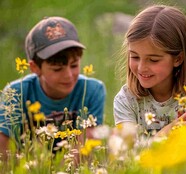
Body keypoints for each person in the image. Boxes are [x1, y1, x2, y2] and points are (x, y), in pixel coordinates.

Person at [0, 16, 106, 157]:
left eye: (74, 65)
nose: (68, 75)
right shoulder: (16, 93)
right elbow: (4, 151)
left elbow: (84, 147)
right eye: (57, 69)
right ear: (35, 67)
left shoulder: (92, 90)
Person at [113, 5, 186, 137]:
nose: (141, 67)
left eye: (153, 60)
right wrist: (162, 137)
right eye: (135, 57)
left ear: (178, 58)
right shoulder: (126, 100)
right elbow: (127, 155)